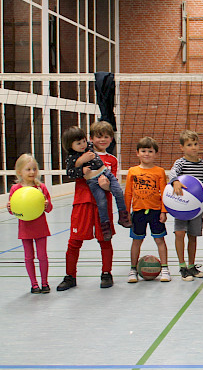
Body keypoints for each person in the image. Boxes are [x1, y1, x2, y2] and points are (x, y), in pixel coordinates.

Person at [57, 121, 120, 291]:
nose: (102, 139)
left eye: (106, 136)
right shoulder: (79, 153)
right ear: (91, 138)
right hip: (82, 202)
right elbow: (71, 172)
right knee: (74, 241)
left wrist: (105, 184)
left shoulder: (111, 160)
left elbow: (112, 185)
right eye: (98, 136)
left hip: (102, 204)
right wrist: (81, 161)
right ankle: (70, 276)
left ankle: (106, 273)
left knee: (105, 239)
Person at [62, 126, 131, 240]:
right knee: (102, 202)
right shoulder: (72, 157)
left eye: (84, 141)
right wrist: (80, 164)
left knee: (119, 192)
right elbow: (70, 173)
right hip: (92, 182)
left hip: (105, 172)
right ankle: (105, 225)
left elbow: (100, 142)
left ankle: (123, 217)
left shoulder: (89, 147)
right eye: (79, 143)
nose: (83, 144)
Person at [124, 137, 171, 283]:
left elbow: (164, 193)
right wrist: (125, 213)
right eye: (143, 151)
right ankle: (133, 269)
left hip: (155, 211)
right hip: (138, 212)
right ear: (137, 153)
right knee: (136, 241)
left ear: (155, 154)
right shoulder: (132, 171)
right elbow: (128, 193)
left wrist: (164, 211)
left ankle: (165, 269)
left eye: (150, 151)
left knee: (160, 240)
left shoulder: (159, 171)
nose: (146, 154)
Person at [170, 130, 203, 281]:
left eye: (195, 144)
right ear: (182, 148)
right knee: (180, 233)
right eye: (189, 145)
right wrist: (175, 181)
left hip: (196, 208)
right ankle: (182, 267)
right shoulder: (180, 163)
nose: (193, 147)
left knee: (193, 236)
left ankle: (192, 266)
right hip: (181, 206)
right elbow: (172, 173)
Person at [8, 154, 53, 293]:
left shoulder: (41, 188)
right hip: (25, 228)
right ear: (19, 172)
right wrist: (10, 208)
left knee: (42, 256)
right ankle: (34, 284)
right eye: (28, 169)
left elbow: (49, 209)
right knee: (29, 257)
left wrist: (46, 204)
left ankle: (44, 283)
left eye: (34, 169)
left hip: (40, 227)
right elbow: (14, 211)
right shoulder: (15, 189)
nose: (32, 172)